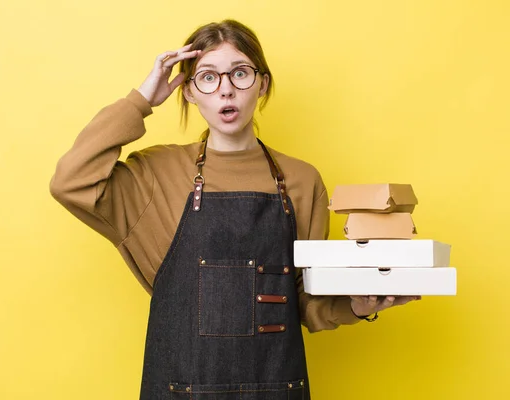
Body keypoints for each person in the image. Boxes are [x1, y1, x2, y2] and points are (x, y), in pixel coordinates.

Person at [50, 19, 419, 400]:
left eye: (240, 73)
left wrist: (357, 305)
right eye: (208, 77)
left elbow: (305, 301)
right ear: (189, 92)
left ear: (262, 83)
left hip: (277, 388)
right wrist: (141, 101)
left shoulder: (302, 180)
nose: (226, 90)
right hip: (179, 389)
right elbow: (70, 181)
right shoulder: (155, 175)